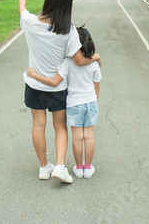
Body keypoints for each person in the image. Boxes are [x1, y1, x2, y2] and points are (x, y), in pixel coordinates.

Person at [18, 0, 100, 184]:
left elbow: (22, 8)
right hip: (58, 87)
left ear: (48, 0)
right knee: (60, 127)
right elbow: (80, 61)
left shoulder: (30, 22)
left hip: (34, 85)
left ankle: (44, 167)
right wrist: (96, 58)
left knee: (38, 125)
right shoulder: (69, 30)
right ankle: (61, 166)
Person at [27, 25, 101, 179]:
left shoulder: (67, 63)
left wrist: (34, 75)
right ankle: (87, 168)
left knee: (76, 137)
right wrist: (94, 101)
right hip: (91, 102)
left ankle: (78, 166)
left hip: (74, 103)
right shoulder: (94, 63)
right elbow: (97, 84)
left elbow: (55, 82)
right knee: (89, 137)